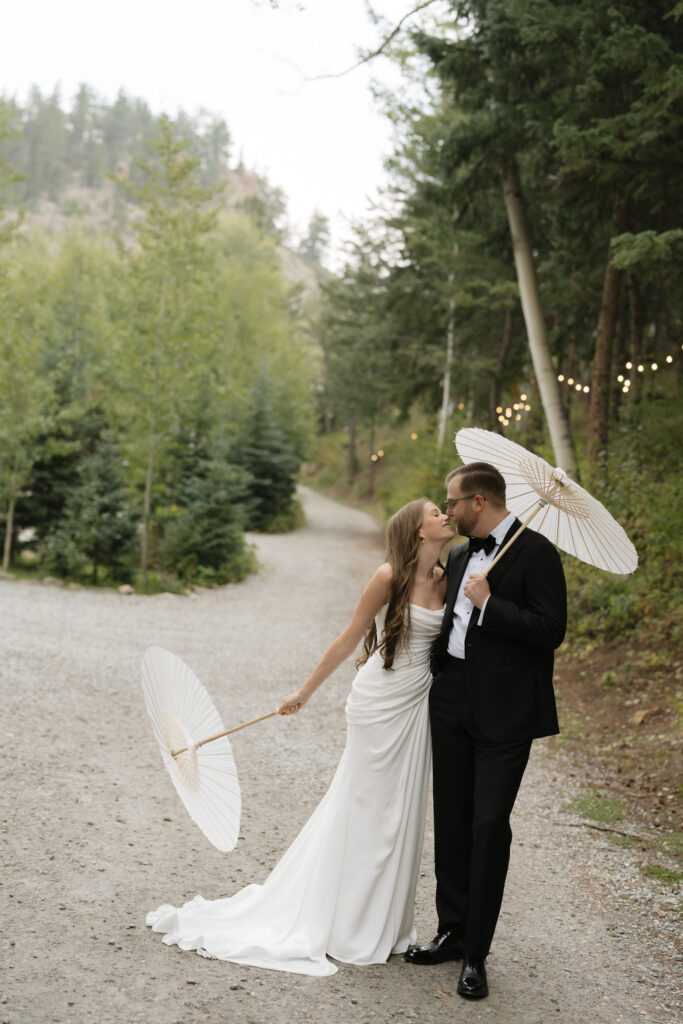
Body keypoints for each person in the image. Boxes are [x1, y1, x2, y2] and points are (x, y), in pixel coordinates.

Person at [147, 498, 454, 976]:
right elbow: (351, 635)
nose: (445, 516)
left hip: (415, 710)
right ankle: (346, 922)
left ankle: (382, 922)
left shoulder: (449, 578)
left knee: (401, 813)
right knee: (367, 810)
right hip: (378, 704)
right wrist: (304, 691)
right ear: (417, 531)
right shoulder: (388, 576)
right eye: (436, 512)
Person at [404, 461, 567, 1000]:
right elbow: (442, 622)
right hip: (449, 698)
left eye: (451, 502)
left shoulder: (537, 552)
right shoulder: (458, 553)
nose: (446, 511)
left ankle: (476, 953)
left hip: (504, 712)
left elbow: (550, 630)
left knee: (488, 825)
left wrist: (490, 605)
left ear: (478, 501)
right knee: (450, 818)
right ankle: (450, 930)